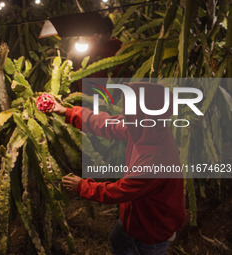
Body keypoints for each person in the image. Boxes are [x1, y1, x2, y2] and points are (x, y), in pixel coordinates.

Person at [45, 82, 186, 255]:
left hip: (155, 227)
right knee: (117, 240)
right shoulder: (146, 127)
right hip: (137, 215)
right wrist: (68, 112)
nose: (122, 113)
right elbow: (106, 123)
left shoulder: (154, 160)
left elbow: (118, 191)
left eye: (128, 110)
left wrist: (81, 186)